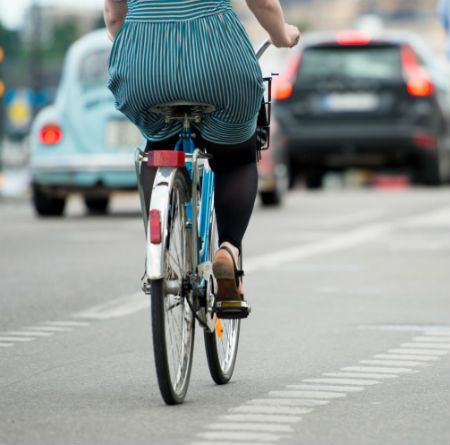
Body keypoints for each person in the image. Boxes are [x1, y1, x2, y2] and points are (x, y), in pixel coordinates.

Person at [104, 0, 300, 317]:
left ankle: (162, 255)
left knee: (159, 144)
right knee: (236, 158)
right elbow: (263, 3)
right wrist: (282, 35)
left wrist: (144, 50)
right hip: (219, 62)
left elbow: (114, 17)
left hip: (144, 69)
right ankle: (229, 251)